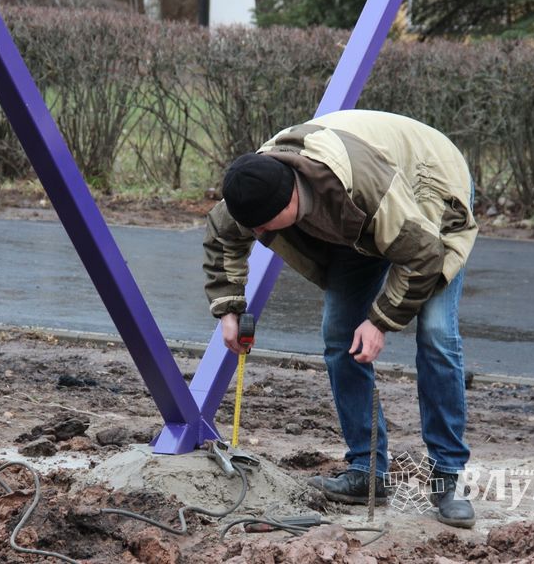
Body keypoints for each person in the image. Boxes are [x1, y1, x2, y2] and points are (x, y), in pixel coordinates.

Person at [202, 110, 478, 528]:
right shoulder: (254, 185)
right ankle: (367, 471)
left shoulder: (364, 189)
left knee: (437, 334)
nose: (257, 234)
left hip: (426, 187)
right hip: (356, 224)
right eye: (252, 226)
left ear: (290, 200)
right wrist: (229, 309)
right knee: (339, 336)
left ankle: (446, 476)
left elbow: (422, 257)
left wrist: (380, 321)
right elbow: (223, 236)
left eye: (263, 227)